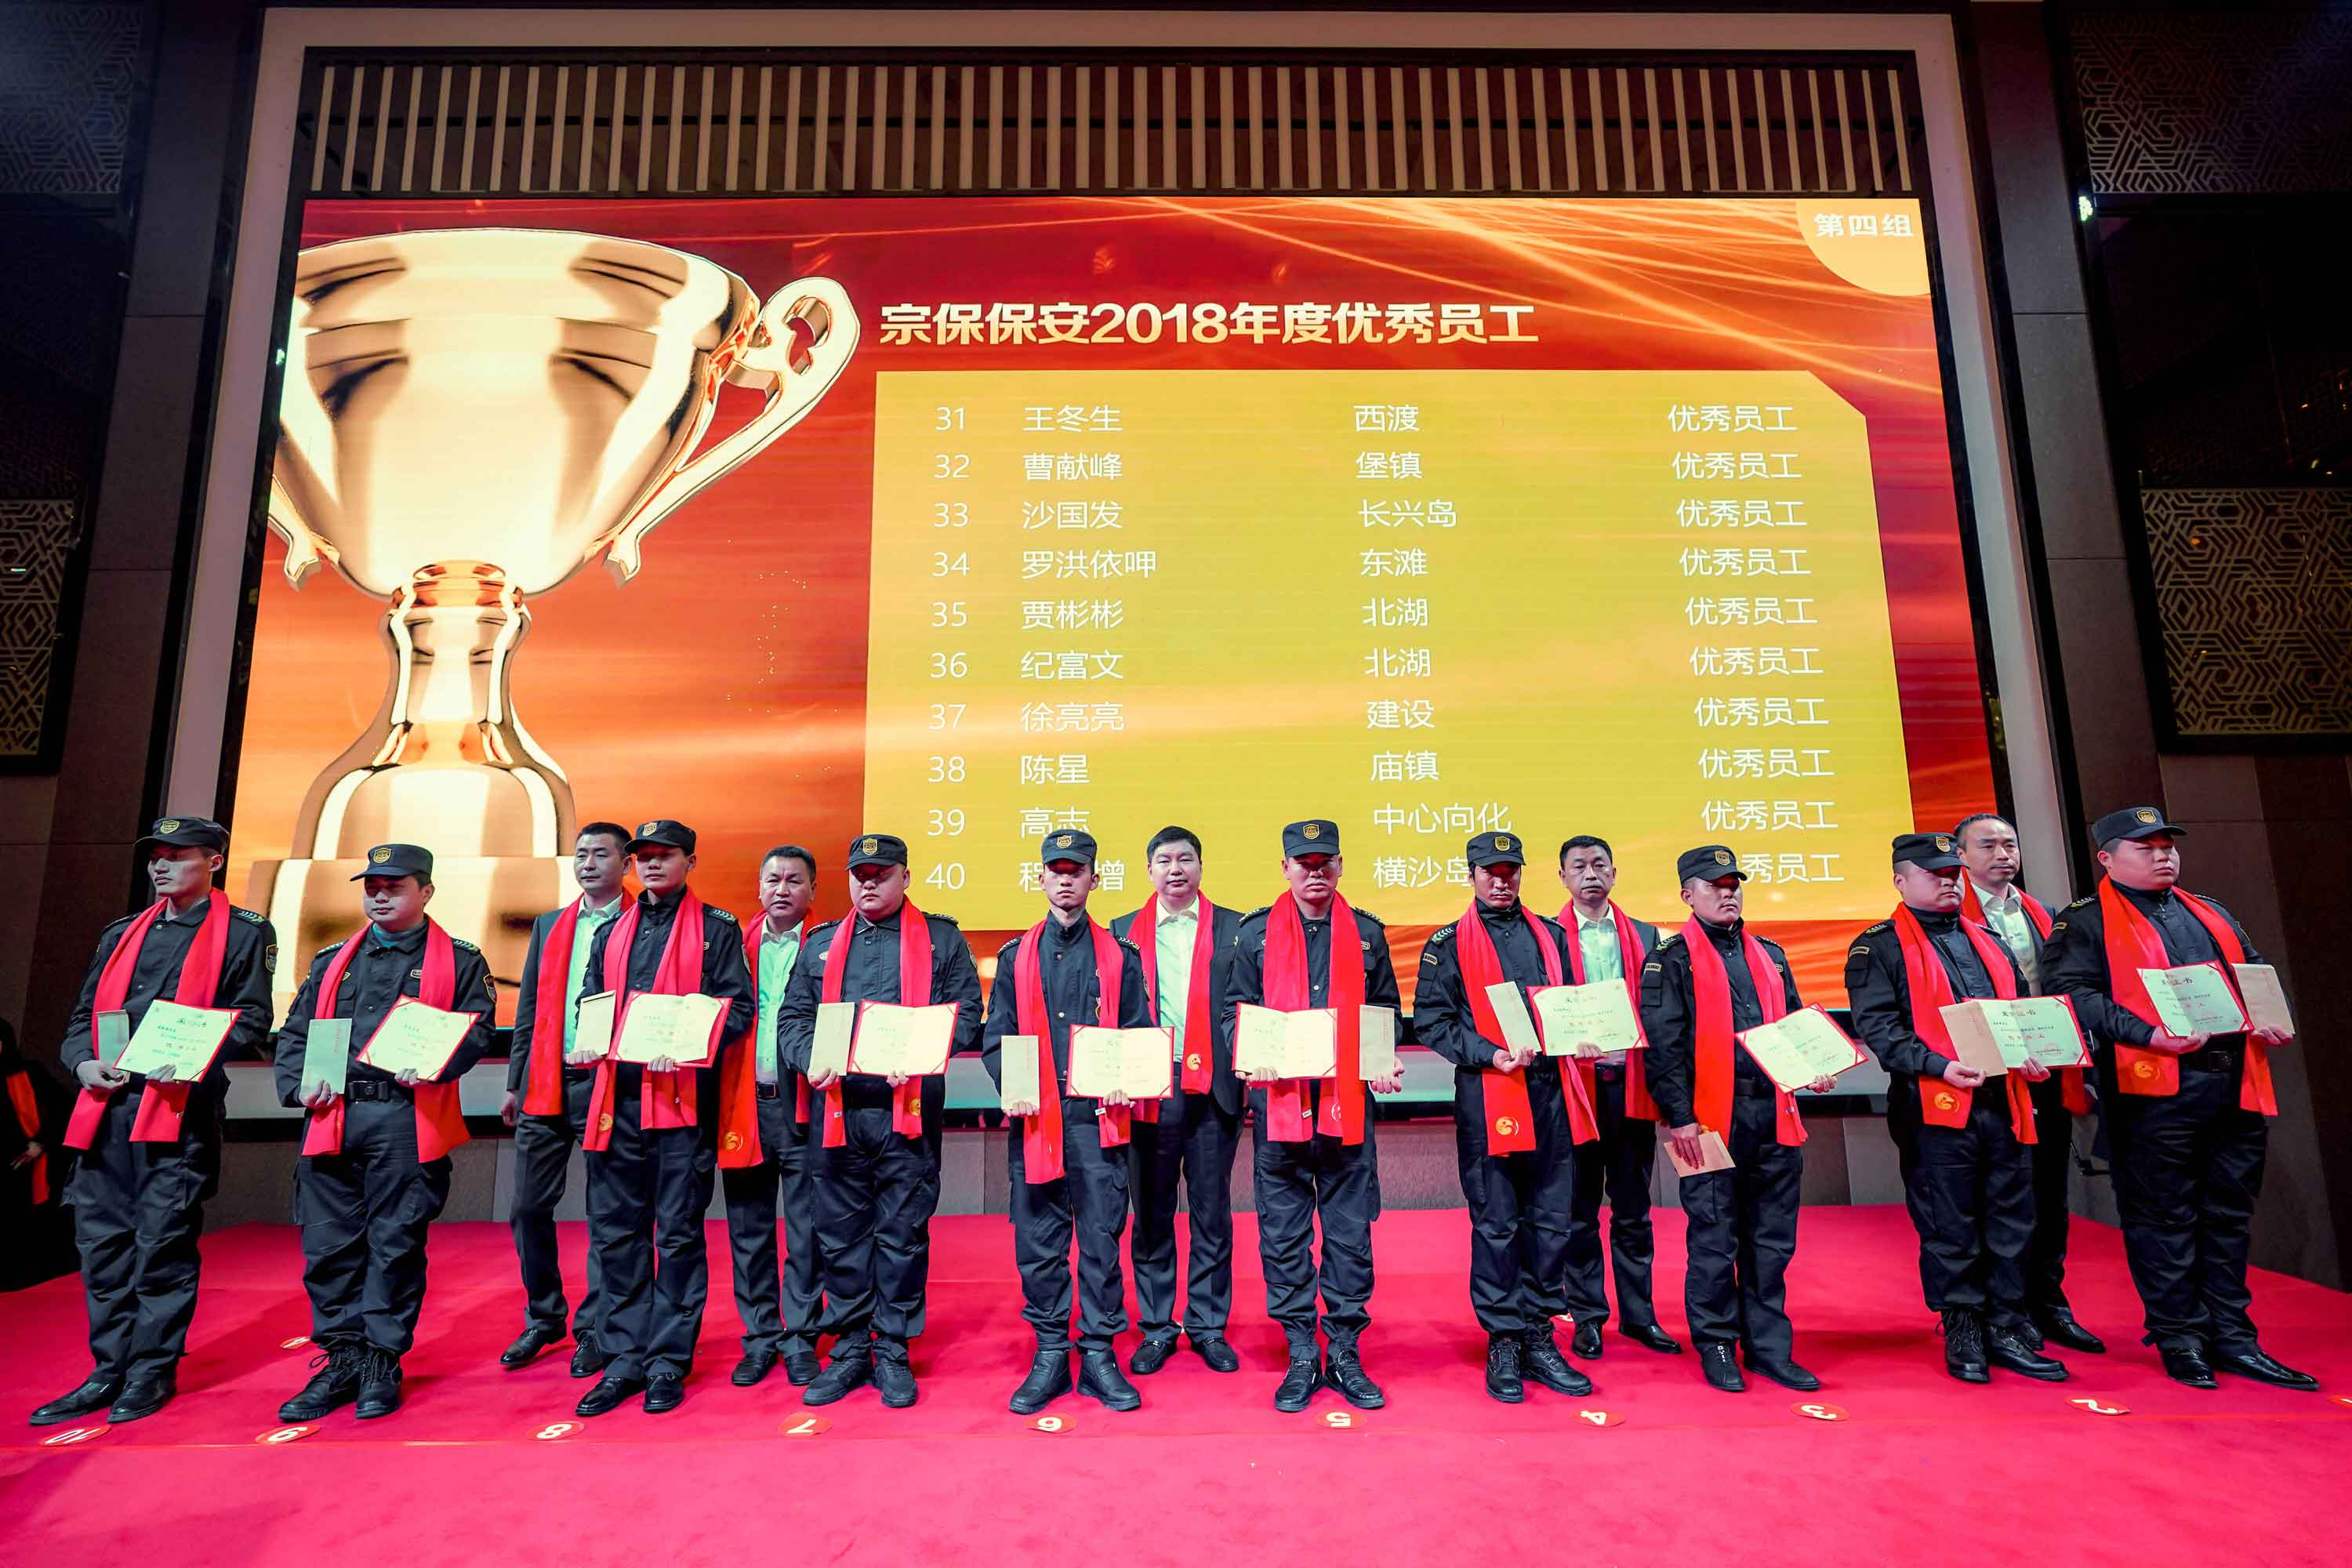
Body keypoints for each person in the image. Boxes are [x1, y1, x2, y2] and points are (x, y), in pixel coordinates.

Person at [2041, 805, 2313, 1391]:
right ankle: (2180, 1336)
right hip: (2153, 1090)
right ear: (2107, 858)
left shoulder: (2209, 910)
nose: (2163, 855)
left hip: (2232, 1082)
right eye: (2146, 848)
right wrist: (2147, 1034)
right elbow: (2074, 995)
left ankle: (2233, 1337)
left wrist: (2272, 1016)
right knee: (2162, 1218)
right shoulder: (2084, 921)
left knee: (2228, 1215)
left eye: (2168, 846)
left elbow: (2253, 970)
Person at [28, 818, 275, 1427]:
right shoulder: (122, 933)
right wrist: (82, 1062)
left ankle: (150, 1371)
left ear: (214, 862)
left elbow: (251, 1020)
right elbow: (82, 1019)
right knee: (102, 1247)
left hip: (175, 1106)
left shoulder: (244, 932)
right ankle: (107, 1369)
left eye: (177, 856)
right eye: (155, 857)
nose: (161, 867)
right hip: (105, 1109)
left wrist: (192, 1054)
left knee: (161, 1244)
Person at [273, 843, 496, 1421]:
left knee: (395, 1244)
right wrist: (298, 1085)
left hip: (403, 1115)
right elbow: (295, 1033)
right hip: (332, 1114)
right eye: (372, 886)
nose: (379, 895)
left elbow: (476, 1031)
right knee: (328, 1246)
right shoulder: (332, 960)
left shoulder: (461, 960)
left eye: (394, 887)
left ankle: (380, 1361)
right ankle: (341, 1359)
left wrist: (437, 1062)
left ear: (426, 892)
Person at [1846, 833, 2069, 1384]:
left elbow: (2019, 1013)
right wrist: (1938, 1066)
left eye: (1952, 873)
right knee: (1950, 1225)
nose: (1948, 882)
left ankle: (2007, 1326)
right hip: (1933, 1103)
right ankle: (1963, 1326)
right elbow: (1881, 1030)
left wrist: (2032, 1053)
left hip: (2004, 1099)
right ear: (1901, 881)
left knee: (2011, 1219)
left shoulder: (1987, 937)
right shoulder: (1878, 947)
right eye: (1934, 874)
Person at [777, 833, 984, 1410]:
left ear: (905, 878)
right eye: (860, 875)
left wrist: (922, 1054)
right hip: (837, 1113)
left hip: (907, 1112)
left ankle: (891, 1348)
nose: (869, 883)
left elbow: (968, 1013)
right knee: (840, 1237)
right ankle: (849, 1348)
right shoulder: (821, 943)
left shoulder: (941, 939)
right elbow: (793, 1018)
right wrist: (810, 1057)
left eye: (882, 874)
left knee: (902, 1236)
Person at [568, 820, 756, 1417]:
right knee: (618, 1236)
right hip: (617, 1104)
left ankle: (668, 1360)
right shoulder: (610, 932)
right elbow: (591, 1002)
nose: (651, 864)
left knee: (676, 1237)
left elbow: (740, 1009)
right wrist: (590, 1037)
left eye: (664, 855)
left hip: (680, 1105)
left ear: (689, 862)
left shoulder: (717, 929)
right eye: (643, 856)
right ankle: (624, 1358)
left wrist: (691, 1040)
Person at [1228, 819, 1406, 1413]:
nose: (1315, 872)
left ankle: (1346, 1350)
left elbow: (1385, 1010)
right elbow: (1234, 1012)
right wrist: (1245, 1053)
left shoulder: (1368, 934)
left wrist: (1382, 1058)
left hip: (1347, 1109)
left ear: (1340, 866)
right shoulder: (1255, 934)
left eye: (1324, 862)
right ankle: (1303, 1350)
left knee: (1350, 1237)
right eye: (1303, 863)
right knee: (1284, 1238)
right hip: (1279, 1107)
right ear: (1285, 868)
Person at [1642, 845, 1832, 1394]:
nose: (1728, 894)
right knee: (1713, 1237)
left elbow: (1793, 1027)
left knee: (1772, 1239)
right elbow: (1664, 1047)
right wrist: (1680, 1117)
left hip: (1773, 1113)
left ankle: (1769, 1348)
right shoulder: (1670, 960)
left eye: (1733, 884)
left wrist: (1813, 1067)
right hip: (1706, 1119)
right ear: (1688, 894)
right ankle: (1717, 1342)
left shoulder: (1770, 954)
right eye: (1715, 886)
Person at [1412, 832, 1595, 1403]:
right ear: (1471, 875)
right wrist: (1489, 1053)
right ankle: (1504, 1340)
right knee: (1496, 1224)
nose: (1501, 880)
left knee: (1551, 1221)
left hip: (1552, 1093)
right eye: (1490, 871)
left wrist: (1587, 1034)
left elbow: (1575, 1007)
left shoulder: (1554, 936)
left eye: (1510, 870)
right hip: (1489, 1091)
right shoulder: (1446, 944)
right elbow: (1433, 1022)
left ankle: (1540, 1334)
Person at [982, 830, 1154, 1413]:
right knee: (1039, 1242)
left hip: (1097, 1120)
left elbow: (1137, 1035)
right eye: (1055, 871)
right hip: (1036, 1119)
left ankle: (1099, 1352)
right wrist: (1014, 1087)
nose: (1064, 880)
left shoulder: (1120, 956)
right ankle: (1052, 1352)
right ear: (1041, 879)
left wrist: (1129, 1076)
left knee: (1101, 1240)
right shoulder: (1015, 957)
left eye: (1075, 871)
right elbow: (998, 1038)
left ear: (1093, 879)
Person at [1955, 811, 2101, 1354]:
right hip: (1988, 1080)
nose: (2003, 854)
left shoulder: (2044, 915)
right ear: (1961, 856)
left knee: (2048, 1194)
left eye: (2010, 845)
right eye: (1988, 845)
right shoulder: (1947, 918)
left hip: (2049, 1071)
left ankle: (2048, 1302)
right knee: (1996, 1201)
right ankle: (1999, 1311)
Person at [1110, 826, 1246, 1377]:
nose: (1175, 869)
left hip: (1213, 1087)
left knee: (1212, 1213)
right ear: (1149, 871)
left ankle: (1208, 1326)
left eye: (1185, 859)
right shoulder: (1120, 932)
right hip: (1149, 1088)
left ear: (1200, 867)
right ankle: (1158, 1326)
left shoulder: (1236, 929)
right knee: (1152, 1212)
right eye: (1164, 860)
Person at [499, 821, 630, 1375]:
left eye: (601, 854)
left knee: (608, 1212)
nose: (588, 864)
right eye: (581, 855)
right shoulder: (552, 924)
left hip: (609, 1083)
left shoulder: (641, 921)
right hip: (546, 1081)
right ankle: (544, 1314)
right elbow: (528, 1007)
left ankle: (596, 1326)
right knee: (527, 1207)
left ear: (625, 864)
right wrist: (515, 1081)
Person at [1554, 833, 1675, 1358]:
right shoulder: (1547, 936)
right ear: (1563, 877)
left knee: (1633, 1209)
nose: (1591, 873)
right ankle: (1588, 1316)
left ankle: (1640, 1316)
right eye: (1579, 866)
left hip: (1632, 1086)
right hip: (1576, 1090)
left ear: (1614, 873)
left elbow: (1666, 1009)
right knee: (1578, 1211)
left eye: (1600, 864)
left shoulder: (1649, 936)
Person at [718, 843, 828, 1388]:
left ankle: (801, 1336)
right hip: (743, 1103)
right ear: (759, 888)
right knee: (749, 1229)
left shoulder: (830, 946)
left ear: (812, 890)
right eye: (773, 880)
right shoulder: (731, 946)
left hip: (805, 1105)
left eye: (794, 881)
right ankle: (760, 1337)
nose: (782, 890)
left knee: (807, 1230)